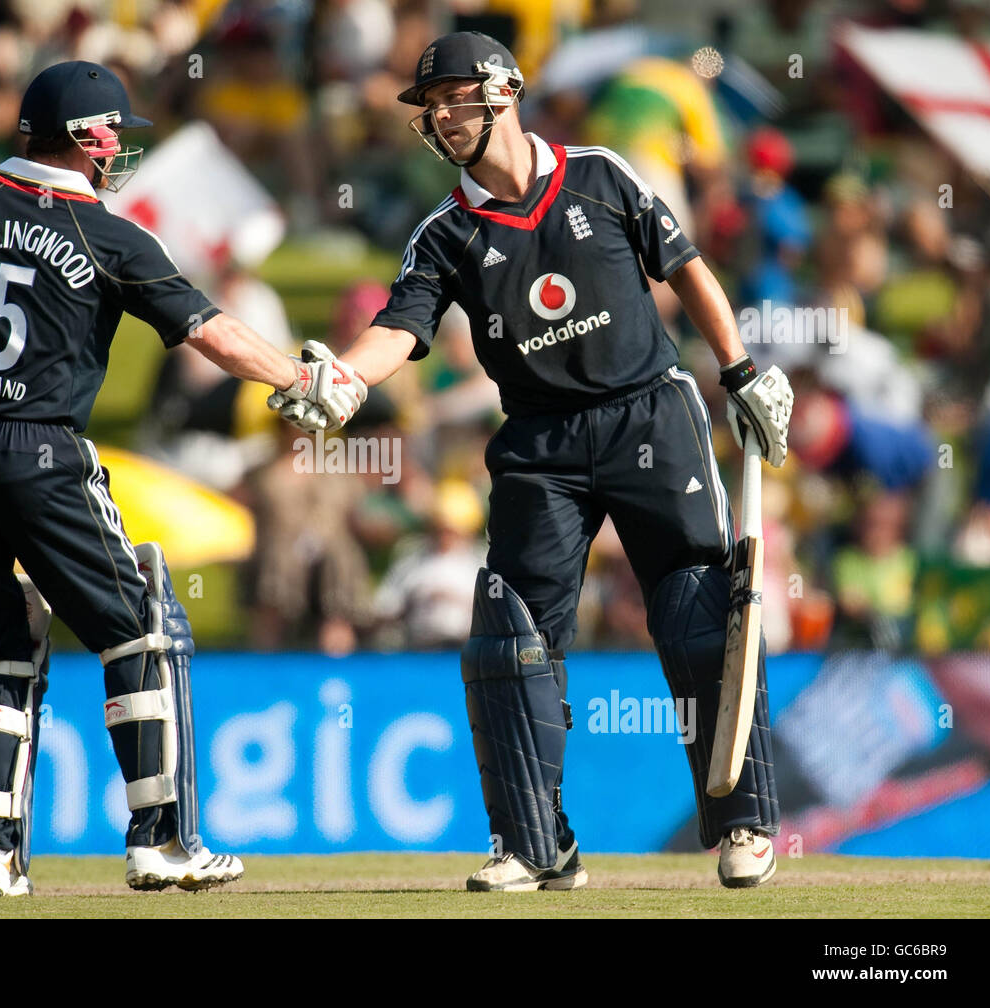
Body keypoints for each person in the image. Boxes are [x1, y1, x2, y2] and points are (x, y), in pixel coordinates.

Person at [269, 32, 793, 891]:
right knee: (513, 637)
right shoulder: (446, 233)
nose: (439, 117)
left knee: (699, 613)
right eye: (429, 106)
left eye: (453, 97)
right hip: (540, 443)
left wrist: (738, 371)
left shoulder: (599, 173)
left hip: (650, 414)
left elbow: (686, 268)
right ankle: (535, 843)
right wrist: (342, 381)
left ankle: (744, 824)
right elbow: (401, 328)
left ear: (504, 90)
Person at [0, 60, 361, 896]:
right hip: (38, 449)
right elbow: (210, 332)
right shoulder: (106, 234)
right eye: (116, 138)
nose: (121, 155)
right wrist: (296, 378)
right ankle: (161, 840)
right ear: (89, 140)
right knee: (141, 622)